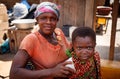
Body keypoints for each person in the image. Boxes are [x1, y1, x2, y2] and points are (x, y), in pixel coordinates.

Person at [10, 2, 74, 79]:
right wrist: (52, 72)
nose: (48, 22)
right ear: (37, 19)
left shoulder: (58, 33)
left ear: (57, 20)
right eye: (43, 18)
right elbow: (14, 73)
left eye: (52, 19)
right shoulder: (31, 39)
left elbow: (70, 52)